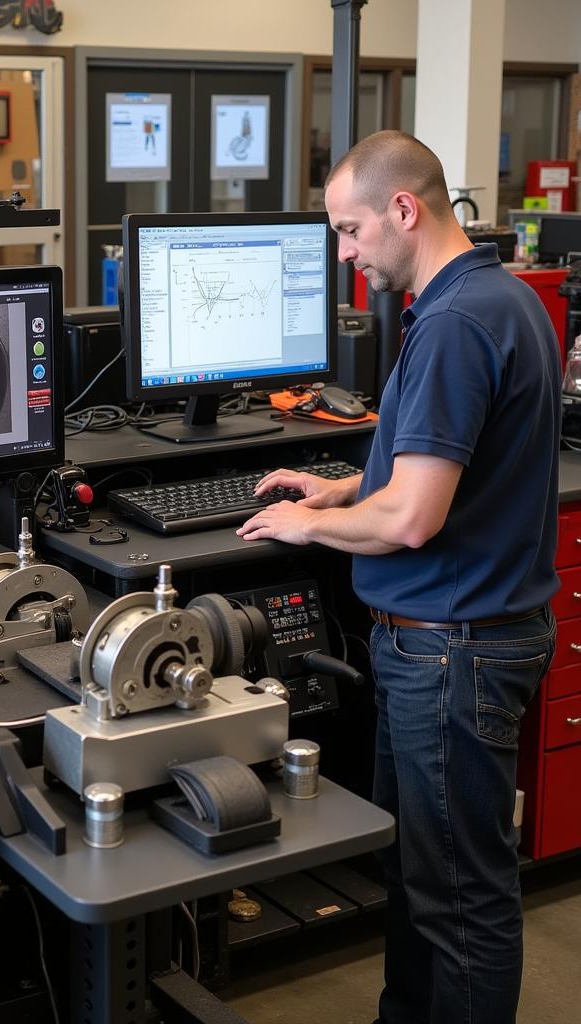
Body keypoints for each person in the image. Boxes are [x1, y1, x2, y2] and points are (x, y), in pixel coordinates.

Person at [236, 130, 560, 1024]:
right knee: (422, 875)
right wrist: (345, 486)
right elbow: (449, 466)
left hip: (454, 652)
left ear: (404, 210)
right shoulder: (496, 297)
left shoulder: (455, 322)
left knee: (459, 899)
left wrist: (311, 523)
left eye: (348, 230)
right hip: (464, 641)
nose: (343, 254)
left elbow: (414, 517)